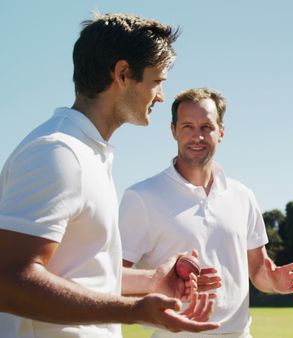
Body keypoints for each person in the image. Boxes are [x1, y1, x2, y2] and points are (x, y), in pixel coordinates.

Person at [0, 13, 218, 338]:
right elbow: (9, 280)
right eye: (157, 81)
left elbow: (82, 271)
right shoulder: (58, 152)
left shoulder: (90, 154)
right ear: (123, 74)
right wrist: (131, 311)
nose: (160, 96)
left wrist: (151, 282)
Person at [118, 87, 293, 338]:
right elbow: (111, 277)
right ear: (173, 130)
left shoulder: (243, 196)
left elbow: (258, 270)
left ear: (221, 132)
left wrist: (272, 279)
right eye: (188, 126)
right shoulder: (142, 197)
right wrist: (158, 283)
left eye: (206, 127)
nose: (197, 136)